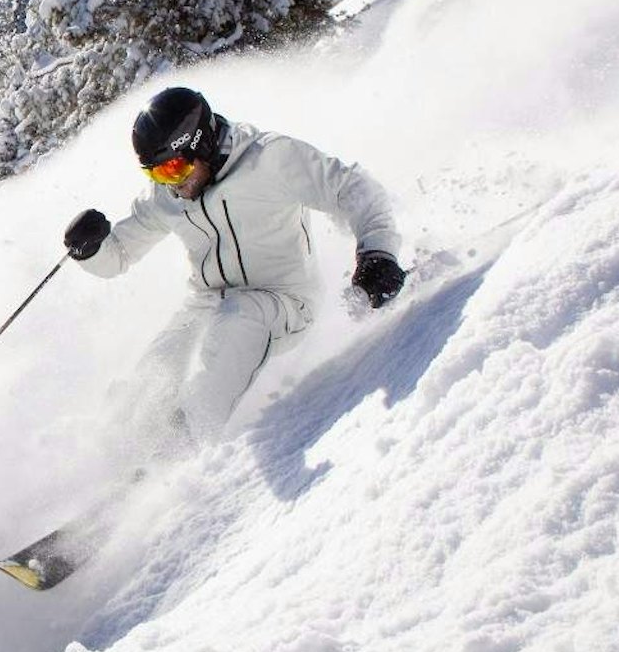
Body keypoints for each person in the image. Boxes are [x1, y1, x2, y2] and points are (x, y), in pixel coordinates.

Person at [64, 86, 407, 447]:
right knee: (154, 375)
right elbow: (118, 254)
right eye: (158, 175)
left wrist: (378, 252)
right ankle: (116, 460)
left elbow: (353, 189)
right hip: (208, 305)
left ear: (202, 143)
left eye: (174, 167)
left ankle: (179, 450)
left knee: (236, 320)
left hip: (285, 302)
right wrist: (89, 249)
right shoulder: (167, 196)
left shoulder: (270, 158)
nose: (173, 184)